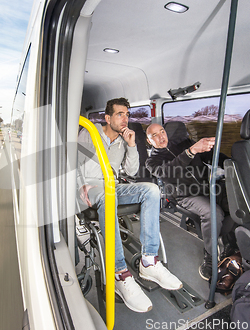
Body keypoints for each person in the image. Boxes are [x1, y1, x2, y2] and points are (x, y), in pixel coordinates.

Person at [77, 98, 182, 313]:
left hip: (111, 187)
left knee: (151, 190)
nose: (125, 119)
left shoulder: (126, 139)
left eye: (127, 114)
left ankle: (149, 262)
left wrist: (132, 146)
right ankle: (119, 274)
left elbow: (132, 172)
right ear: (107, 118)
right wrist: (80, 186)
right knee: (108, 196)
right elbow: (72, 163)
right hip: (89, 188)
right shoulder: (90, 132)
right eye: (120, 114)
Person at [145, 123, 236, 281]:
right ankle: (210, 258)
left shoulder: (184, 144)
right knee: (213, 212)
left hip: (206, 188)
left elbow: (211, 156)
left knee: (236, 202)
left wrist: (232, 164)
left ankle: (229, 243)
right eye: (154, 135)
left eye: (162, 131)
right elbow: (167, 173)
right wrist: (191, 151)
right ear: (149, 141)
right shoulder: (153, 161)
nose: (160, 137)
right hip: (184, 195)